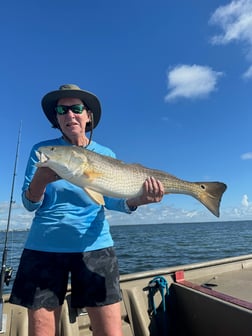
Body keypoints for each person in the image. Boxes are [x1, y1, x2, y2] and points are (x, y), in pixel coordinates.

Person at [10, 84, 164, 336]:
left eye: (76, 108)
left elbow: (111, 200)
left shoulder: (105, 154)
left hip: (95, 247)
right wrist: (41, 180)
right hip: (43, 248)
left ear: (88, 115)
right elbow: (30, 203)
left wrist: (138, 200)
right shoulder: (43, 150)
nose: (69, 114)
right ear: (57, 118)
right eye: (62, 110)